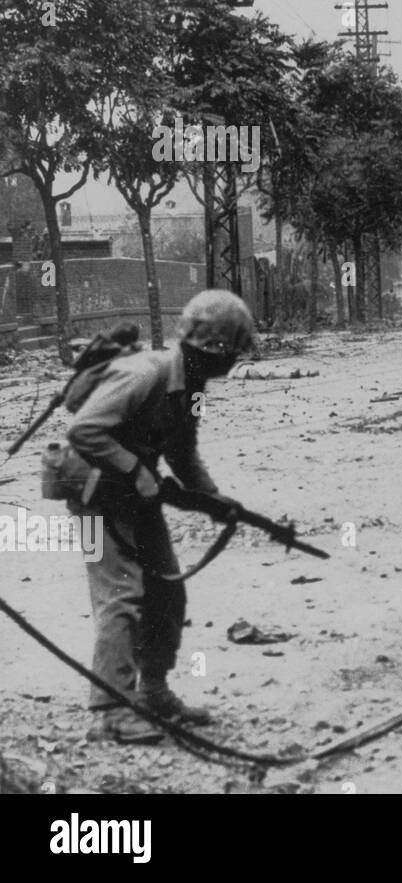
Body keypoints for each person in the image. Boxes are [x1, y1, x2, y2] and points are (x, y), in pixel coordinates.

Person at [66, 290, 256, 744]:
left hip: (134, 492)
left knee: (166, 588)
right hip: (92, 494)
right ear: (210, 348)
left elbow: (182, 451)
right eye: (230, 352)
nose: (232, 364)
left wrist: (213, 499)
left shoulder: (191, 389)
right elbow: (84, 430)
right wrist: (136, 470)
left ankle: (153, 690)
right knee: (120, 595)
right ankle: (110, 710)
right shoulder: (144, 373)